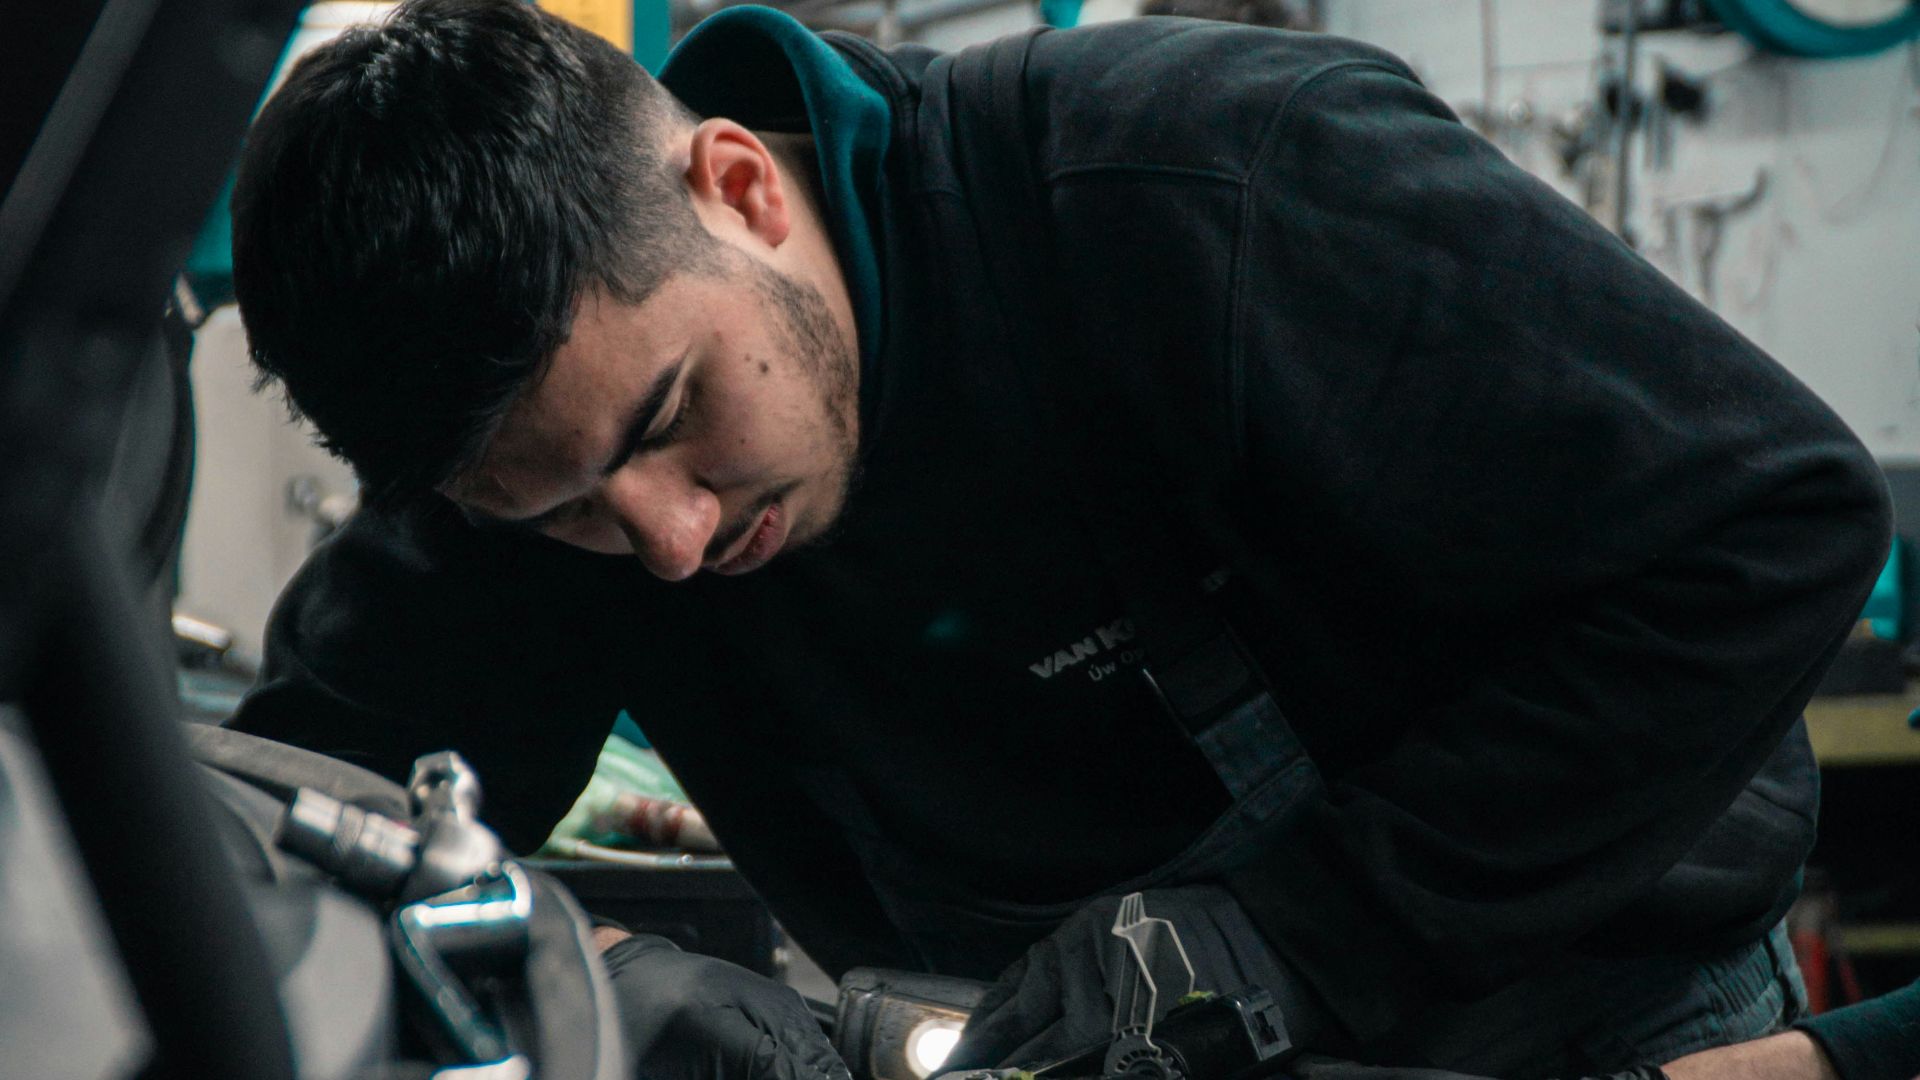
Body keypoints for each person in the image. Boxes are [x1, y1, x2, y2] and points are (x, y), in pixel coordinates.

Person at [224, 1, 1893, 1077]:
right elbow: (282, 835)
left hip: (1589, 1016)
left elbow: (1773, 529)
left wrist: (1297, 927)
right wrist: (599, 986)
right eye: (562, 511)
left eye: (664, 426)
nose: (662, 538)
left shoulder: (1199, 183)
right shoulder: (526, 431)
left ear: (737, 185)